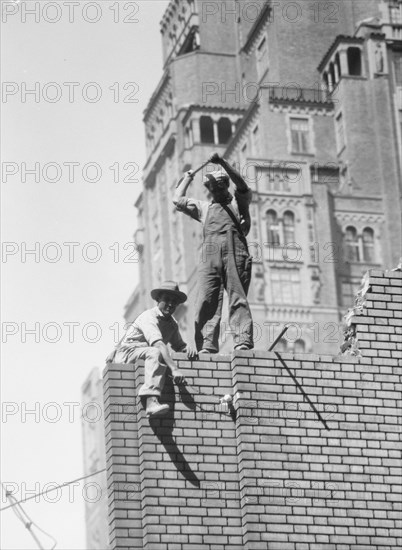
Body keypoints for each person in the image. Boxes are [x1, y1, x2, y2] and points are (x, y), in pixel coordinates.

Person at [173, 152, 253, 353]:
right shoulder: (204, 208)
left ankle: (242, 340)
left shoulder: (238, 202)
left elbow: (242, 186)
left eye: (219, 186)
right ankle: (207, 345)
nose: (216, 191)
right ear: (209, 190)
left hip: (236, 253)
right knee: (207, 299)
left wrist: (223, 164)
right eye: (212, 188)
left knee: (237, 297)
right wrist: (188, 177)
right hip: (210, 256)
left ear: (226, 185)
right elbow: (177, 199)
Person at [106, 281, 197, 417]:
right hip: (127, 352)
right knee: (155, 351)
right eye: (166, 300)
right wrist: (175, 369)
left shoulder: (172, 324)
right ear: (158, 300)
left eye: (174, 301)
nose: (170, 304)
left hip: (143, 352)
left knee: (155, 352)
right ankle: (151, 402)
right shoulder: (149, 316)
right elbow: (158, 345)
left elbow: (179, 345)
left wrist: (187, 349)